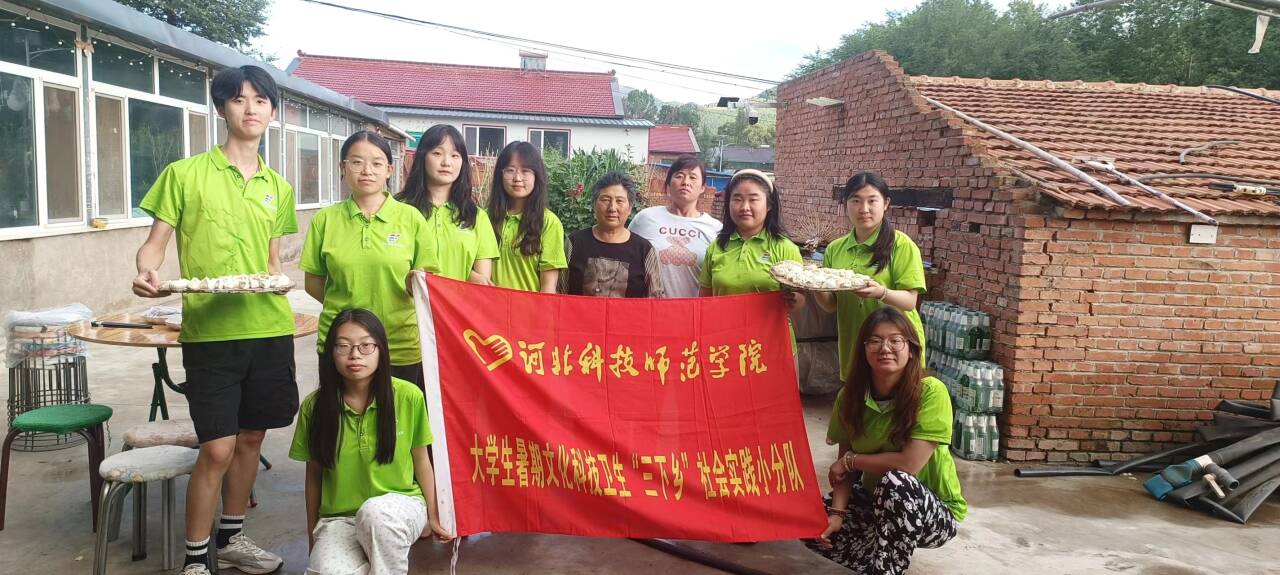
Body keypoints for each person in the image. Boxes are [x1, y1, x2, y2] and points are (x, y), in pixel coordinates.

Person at [132, 65, 295, 575]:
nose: (251, 109)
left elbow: (272, 262)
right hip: (211, 332)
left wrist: (281, 279)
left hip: (269, 328)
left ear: (272, 111)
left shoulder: (278, 187)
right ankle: (195, 558)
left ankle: (231, 538)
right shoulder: (184, 174)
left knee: (251, 439)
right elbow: (154, 245)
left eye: (260, 100)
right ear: (221, 108)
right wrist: (147, 270)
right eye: (239, 99)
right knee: (218, 447)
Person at [290, 309, 454, 575]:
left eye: (366, 346)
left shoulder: (408, 396)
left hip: (399, 507)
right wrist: (313, 535)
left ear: (381, 350)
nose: (355, 355)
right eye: (343, 346)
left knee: (375, 514)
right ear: (330, 353)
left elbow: (421, 460)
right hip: (339, 519)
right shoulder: (314, 407)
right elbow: (314, 476)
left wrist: (433, 515)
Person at [808, 307, 966, 575]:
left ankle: (886, 567)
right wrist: (837, 514)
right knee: (812, 523)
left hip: (932, 512)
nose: (885, 348)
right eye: (875, 340)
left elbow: (908, 465)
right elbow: (844, 466)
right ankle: (879, 553)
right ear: (863, 349)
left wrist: (851, 460)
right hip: (874, 502)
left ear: (911, 349)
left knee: (897, 483)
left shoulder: (931, 392)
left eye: (896, 340)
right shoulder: (849, 397)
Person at [301, 131, 432, 389]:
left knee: (398, 413)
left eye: (376, 163)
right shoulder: (325, 220)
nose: (367, 171)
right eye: (357, 162)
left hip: (399, 344)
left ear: (389, 170)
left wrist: (410, 284)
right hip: (342, 344)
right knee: (340, 411)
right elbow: (313, 283)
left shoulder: (411, 218)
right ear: (343, 167)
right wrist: (347, 306)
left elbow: (424, 283)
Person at [811, 172, 927, 380]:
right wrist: (814, 285)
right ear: (845, 204)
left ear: (886, 204)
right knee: (858, 397)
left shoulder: (901, 245)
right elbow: (831, 305)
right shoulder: (835, 249)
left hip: (894, 348)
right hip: (855, 343)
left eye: (872, 201)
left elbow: (910, 301)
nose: (863, 209)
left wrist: (881, 293)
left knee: (894, 399)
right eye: (855, 201)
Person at [396, 124, 499, 284]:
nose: (446, 162)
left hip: (455, 300)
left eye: (455, 155)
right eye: (437, 153)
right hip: (407, 300)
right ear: (422, 157)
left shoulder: (476, 217)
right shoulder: (398, 209)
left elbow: (481, 283)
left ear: (463, 162)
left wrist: (470, 276)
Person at [698, 170, 803, 315]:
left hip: (770, 329)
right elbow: (704, 301)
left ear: (769, 205)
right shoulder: (716, 247)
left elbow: (800, 299)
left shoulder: (785, 248)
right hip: (724, 328)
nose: (744, 207)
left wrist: (795, 299)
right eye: (737, 199)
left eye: (753, 200)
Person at [628, 155, 722, 298]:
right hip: (651, 309)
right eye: (679, 176)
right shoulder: (645, 219)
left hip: (694, 310)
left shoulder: (715, 229)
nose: (685, 182)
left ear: (703, 187)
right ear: (668, 185)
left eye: (693, 177)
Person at [561, 171, 664, 298]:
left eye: (619, 201)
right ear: (594, 204)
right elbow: (559, 292)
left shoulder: (644, 249)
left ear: (630, 208)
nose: (612, 208)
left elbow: (655, 299)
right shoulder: (574, 242)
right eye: (605, 200)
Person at [486, 141, 566, 292]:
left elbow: (548, 287)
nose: (517, 178)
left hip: (529, 307)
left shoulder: (548, 222)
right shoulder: (485, 219)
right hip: (489, 306)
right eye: (510, 170)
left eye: (526, 171)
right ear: (500, 175)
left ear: (537, 176)